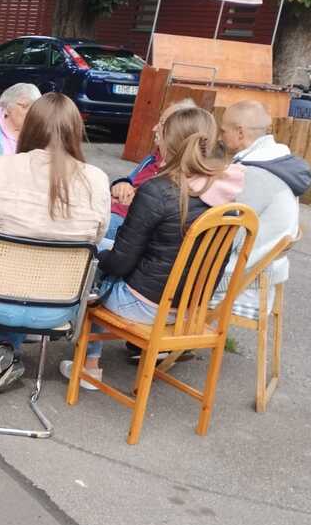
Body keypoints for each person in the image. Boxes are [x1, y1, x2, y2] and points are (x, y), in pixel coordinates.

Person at [60, 105, 245, 388]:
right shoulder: (228, 197)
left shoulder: (157, 191)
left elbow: (121, 264)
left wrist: (95, 256)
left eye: (161, 135)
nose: (156, 137)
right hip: (190, 310)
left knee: (91, 262)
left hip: (144, 306)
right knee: (103, 248)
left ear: (169, 144)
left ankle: (89, 366)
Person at [0, 92, 111, 395]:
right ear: (76, 131)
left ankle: (0, 347)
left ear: (31, 127)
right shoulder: (97, 180)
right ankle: (5, 349)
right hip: (57, 309)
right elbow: (96, 238)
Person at [212, 100, 302, 318]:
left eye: (224, 131)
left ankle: (166, 339)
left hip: (245, 280)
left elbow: (229, 238)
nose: (220, 137)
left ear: (240, 133)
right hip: (268, 269)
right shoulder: (279, 162)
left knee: (166, 265)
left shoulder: (254, 175)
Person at [108, 98, 197, 240]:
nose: (154, 128)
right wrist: (122, 184)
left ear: (177, 131)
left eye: (161, 123)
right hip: (112, 211)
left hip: (126, 225)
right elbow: (129, 181)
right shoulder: (153, 158)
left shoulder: (184, 170)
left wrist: (137, 199)